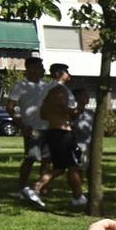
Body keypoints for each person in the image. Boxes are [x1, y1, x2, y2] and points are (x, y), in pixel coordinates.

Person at [34, 64, 85, 209]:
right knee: (72, 165)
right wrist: (75, 110)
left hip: (55, 129)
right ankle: (78, 196)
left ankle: (37, 188)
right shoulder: (59, 89)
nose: (69, 75)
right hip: (62, 132)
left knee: (60, 167)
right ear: (58, 73)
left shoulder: (46, 89)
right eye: (66, 72)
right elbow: (62, 108)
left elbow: (44, 113)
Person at [8, 56, 49, 207]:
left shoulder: (46, 86)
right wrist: (22, 125)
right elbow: (10, 107)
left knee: (47, 159)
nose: (43, 69)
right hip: (32, 128)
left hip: (48, 127)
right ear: (30, 69)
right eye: (40, 66)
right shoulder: (21, 86)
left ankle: (42, 187)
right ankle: (21, 188)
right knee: (31, 157)